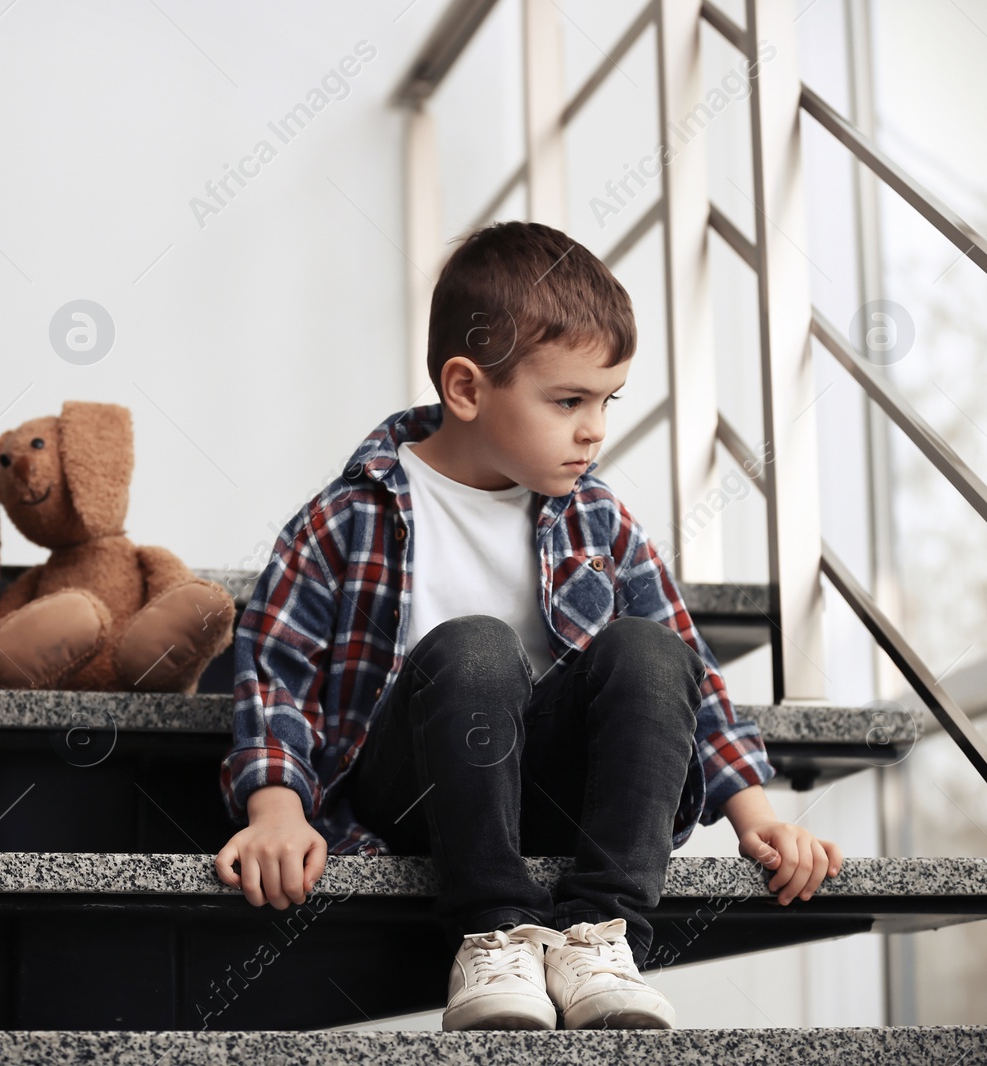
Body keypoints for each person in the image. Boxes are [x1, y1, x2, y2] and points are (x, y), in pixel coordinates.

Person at [213, 220, 844, 1030]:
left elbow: (692, 673)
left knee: (649, 650)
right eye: (568, 401)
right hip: (415, 793)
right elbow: (274, 670)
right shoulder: (348, 517)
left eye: (607, 401)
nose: (596, 431)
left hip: (551, 794)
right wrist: (276, 809)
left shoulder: (600, 520)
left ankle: (600, 934)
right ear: (468, 390)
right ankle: (492, 935)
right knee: (477, 647)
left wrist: (756, 813)